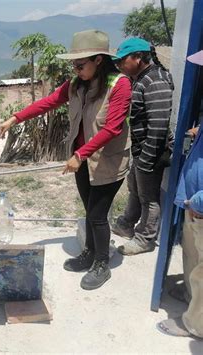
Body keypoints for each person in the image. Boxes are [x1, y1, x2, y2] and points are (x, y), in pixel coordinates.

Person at [0, 30, 132, 290]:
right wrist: (16, 118)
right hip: (80, 159)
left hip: (107, 160)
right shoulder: (76, 84)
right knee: (89, 210)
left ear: (99, 60)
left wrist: (81, 154)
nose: (76, 69)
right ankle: (90, 252)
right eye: (74, 64)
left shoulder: (120, 85)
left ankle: (102, 264)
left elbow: (113, 128)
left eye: (80, 64)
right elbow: (49, 102)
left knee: (97, 214)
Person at [111, 38, 174, 255]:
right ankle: (127, 224)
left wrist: (146, 160)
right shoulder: (141, 78)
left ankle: (145, 239)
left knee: (148, 197)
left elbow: (158, 126)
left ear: (138, 58)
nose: (119, 65)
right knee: (135, 190)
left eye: (122, 60)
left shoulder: (155, 80)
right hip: (142, 150)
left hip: (152, 151)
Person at [157, 50, 203, 339]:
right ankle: (190, 295)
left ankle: (195, 324)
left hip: (200, 204)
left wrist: (198, 201)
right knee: (193, 256)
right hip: (194, 202)